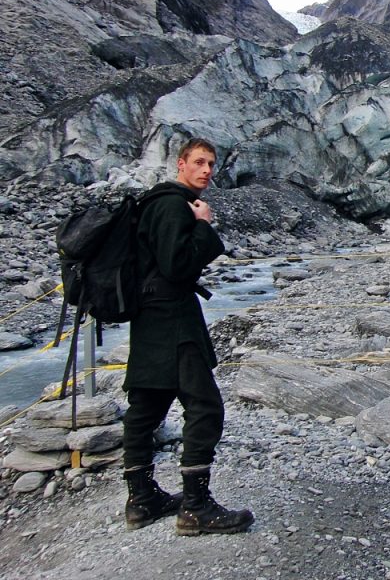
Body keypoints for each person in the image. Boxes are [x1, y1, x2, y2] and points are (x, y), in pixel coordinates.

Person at [120, 138, 253, 536]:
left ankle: (142, 499)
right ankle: (195, 507)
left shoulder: (156, 203)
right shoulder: (171, 204)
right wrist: (203, 225)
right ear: (181, 164)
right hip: (172, 319)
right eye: (199, 162)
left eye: (211, 163)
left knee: (146, 405)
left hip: (150, 318)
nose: (206, 170)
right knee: (205, 406)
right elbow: (176, 265)